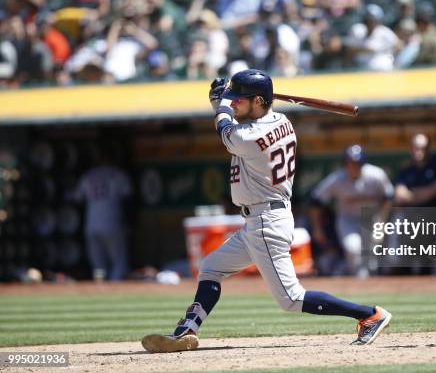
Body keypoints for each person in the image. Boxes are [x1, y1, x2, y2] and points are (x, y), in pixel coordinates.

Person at [141, 69, 391, 353]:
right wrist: (229, 100)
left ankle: (369, 314)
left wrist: (219, 104)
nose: (234, 103)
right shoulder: (281, 120)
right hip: (260, 219)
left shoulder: (251, 135)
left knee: (292, 299)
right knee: (211, 267)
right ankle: (187, 329)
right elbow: (235, 125)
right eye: (233, 99)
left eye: (239, 99)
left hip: (266, 222)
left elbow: (226, 131)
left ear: (259, 101)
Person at [309, 145, 394, 277]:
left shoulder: (375, 175)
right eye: (350, 163)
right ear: (345, 164)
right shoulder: (337, 179)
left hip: (371, 218)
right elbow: (316, 201)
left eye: (357, 163)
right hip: (348, 220)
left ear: (362, 164)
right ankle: (360, 284)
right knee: (353, 248)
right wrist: (317, 228)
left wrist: (382, 222)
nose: (353, 166)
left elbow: (388, 197)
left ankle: (370, 282)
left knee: (372, 257)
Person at [71, 152, 132, 281]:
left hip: (91, 224)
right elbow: (128, 199)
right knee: (119, 262)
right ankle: (115, 290)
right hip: (112, 222)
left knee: (99, 265)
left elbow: (76, 198)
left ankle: (100, 290)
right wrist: (129, 222)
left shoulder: (88, 175)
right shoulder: (118, 174)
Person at [394, 134, 436, 207]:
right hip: (411, 216)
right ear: (411, 149)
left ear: (428, 149)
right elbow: (400, 197)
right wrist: (427, 192)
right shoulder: (405, 171)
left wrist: (412, 193)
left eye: (423, 148)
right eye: (416, 148)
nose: (420, 151)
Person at [345, 4, 399, 71]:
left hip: (384, 68)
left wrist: (390, 54)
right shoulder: (356, 30)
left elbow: (398, 45)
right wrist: (363, 50)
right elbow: (348, 52)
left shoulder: (385, 32)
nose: (370, 23)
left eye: (373, 20)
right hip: (361, 68)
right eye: (368, 20)